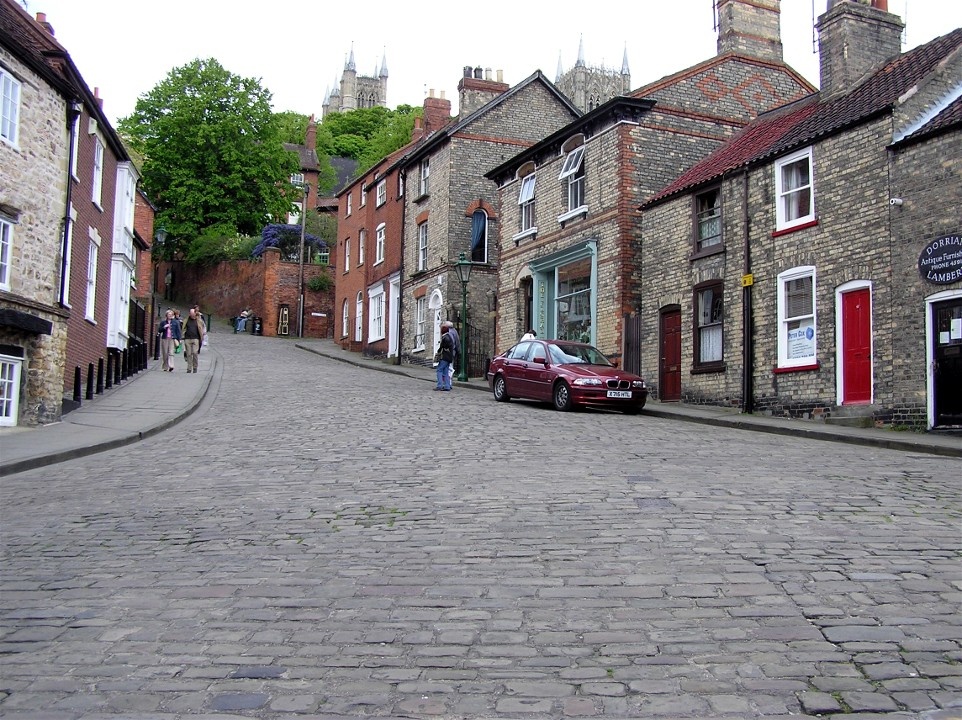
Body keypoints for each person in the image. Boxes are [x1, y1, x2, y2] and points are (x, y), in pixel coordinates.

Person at [181, 307, 206, 373]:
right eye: (191, 314)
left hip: (196, 338)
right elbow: (183, 328)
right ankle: (189, 368)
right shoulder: (186, 320)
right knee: (188, 354)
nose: (192, 315)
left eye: (193, 314)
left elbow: (202, 327)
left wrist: (202, 336)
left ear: (195, 313)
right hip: (187, 338)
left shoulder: (199, 320)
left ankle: (195, 367)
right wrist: (182, 335)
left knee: (195, 353)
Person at [435, 326, 455, 391]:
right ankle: (447, 386)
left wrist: (438, 352)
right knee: (446, 372)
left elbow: (442, 347)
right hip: (449, 357)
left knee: (439, 370)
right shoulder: (449, 337)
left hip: (445, 357)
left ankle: (439, 385)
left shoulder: (445, 338)